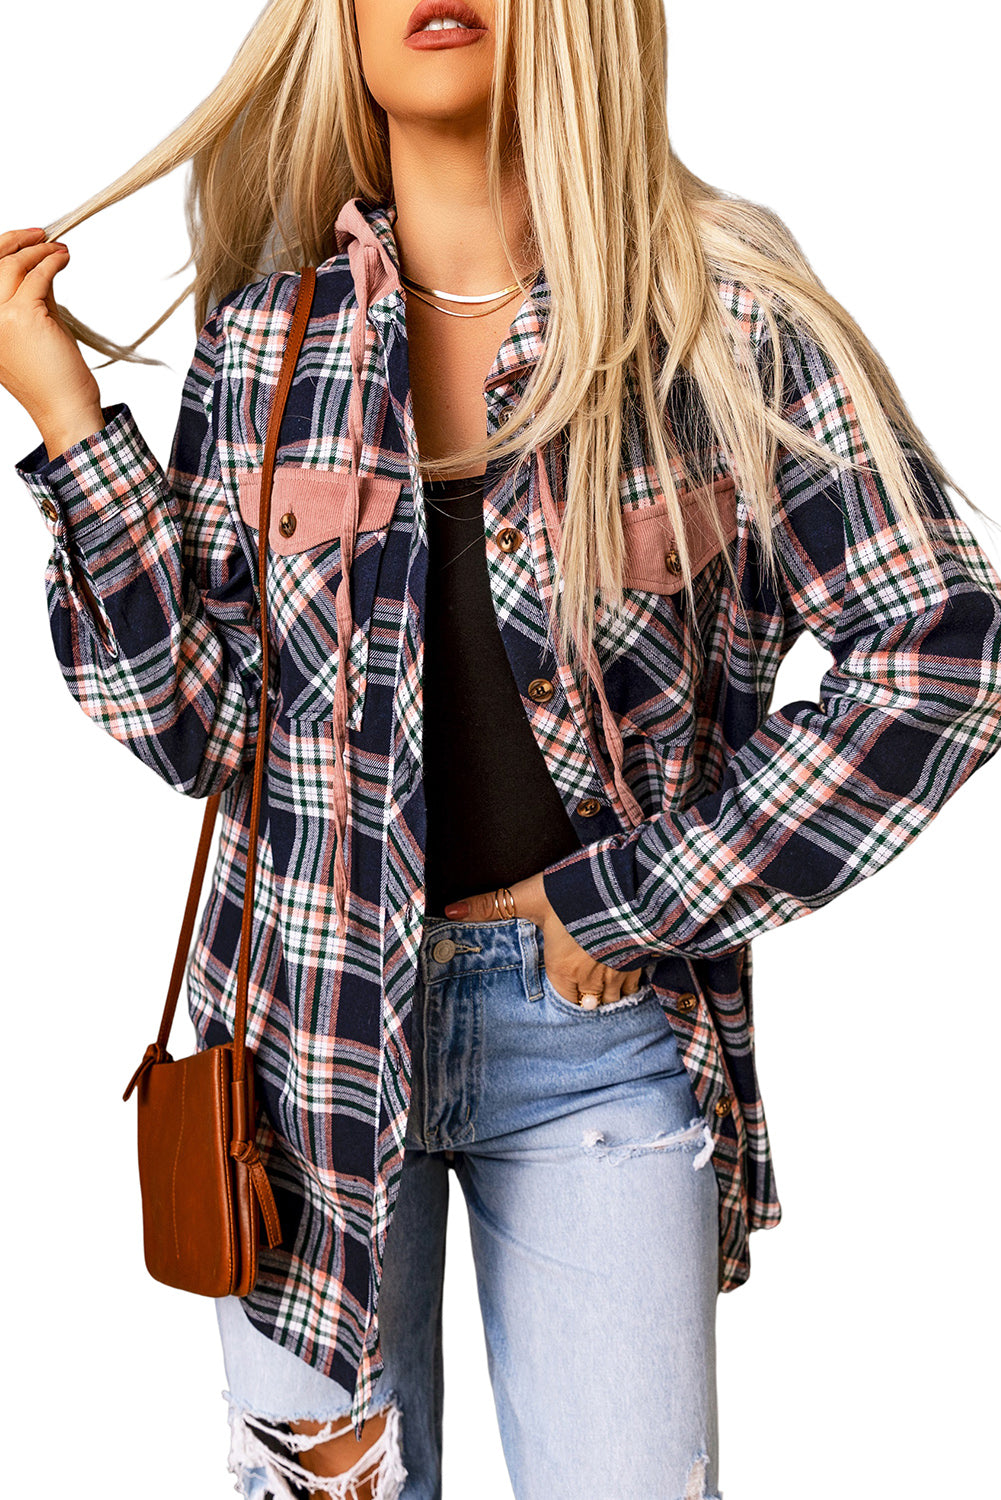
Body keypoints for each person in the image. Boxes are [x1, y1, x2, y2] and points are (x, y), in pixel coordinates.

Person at [2, 0, 1000, 1496]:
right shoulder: (270, 341)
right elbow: (193, 728)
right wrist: (70, 421)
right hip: (304, 1056)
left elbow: (942, 656)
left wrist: (633, 898)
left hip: (598, 1043)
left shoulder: (720, 321)